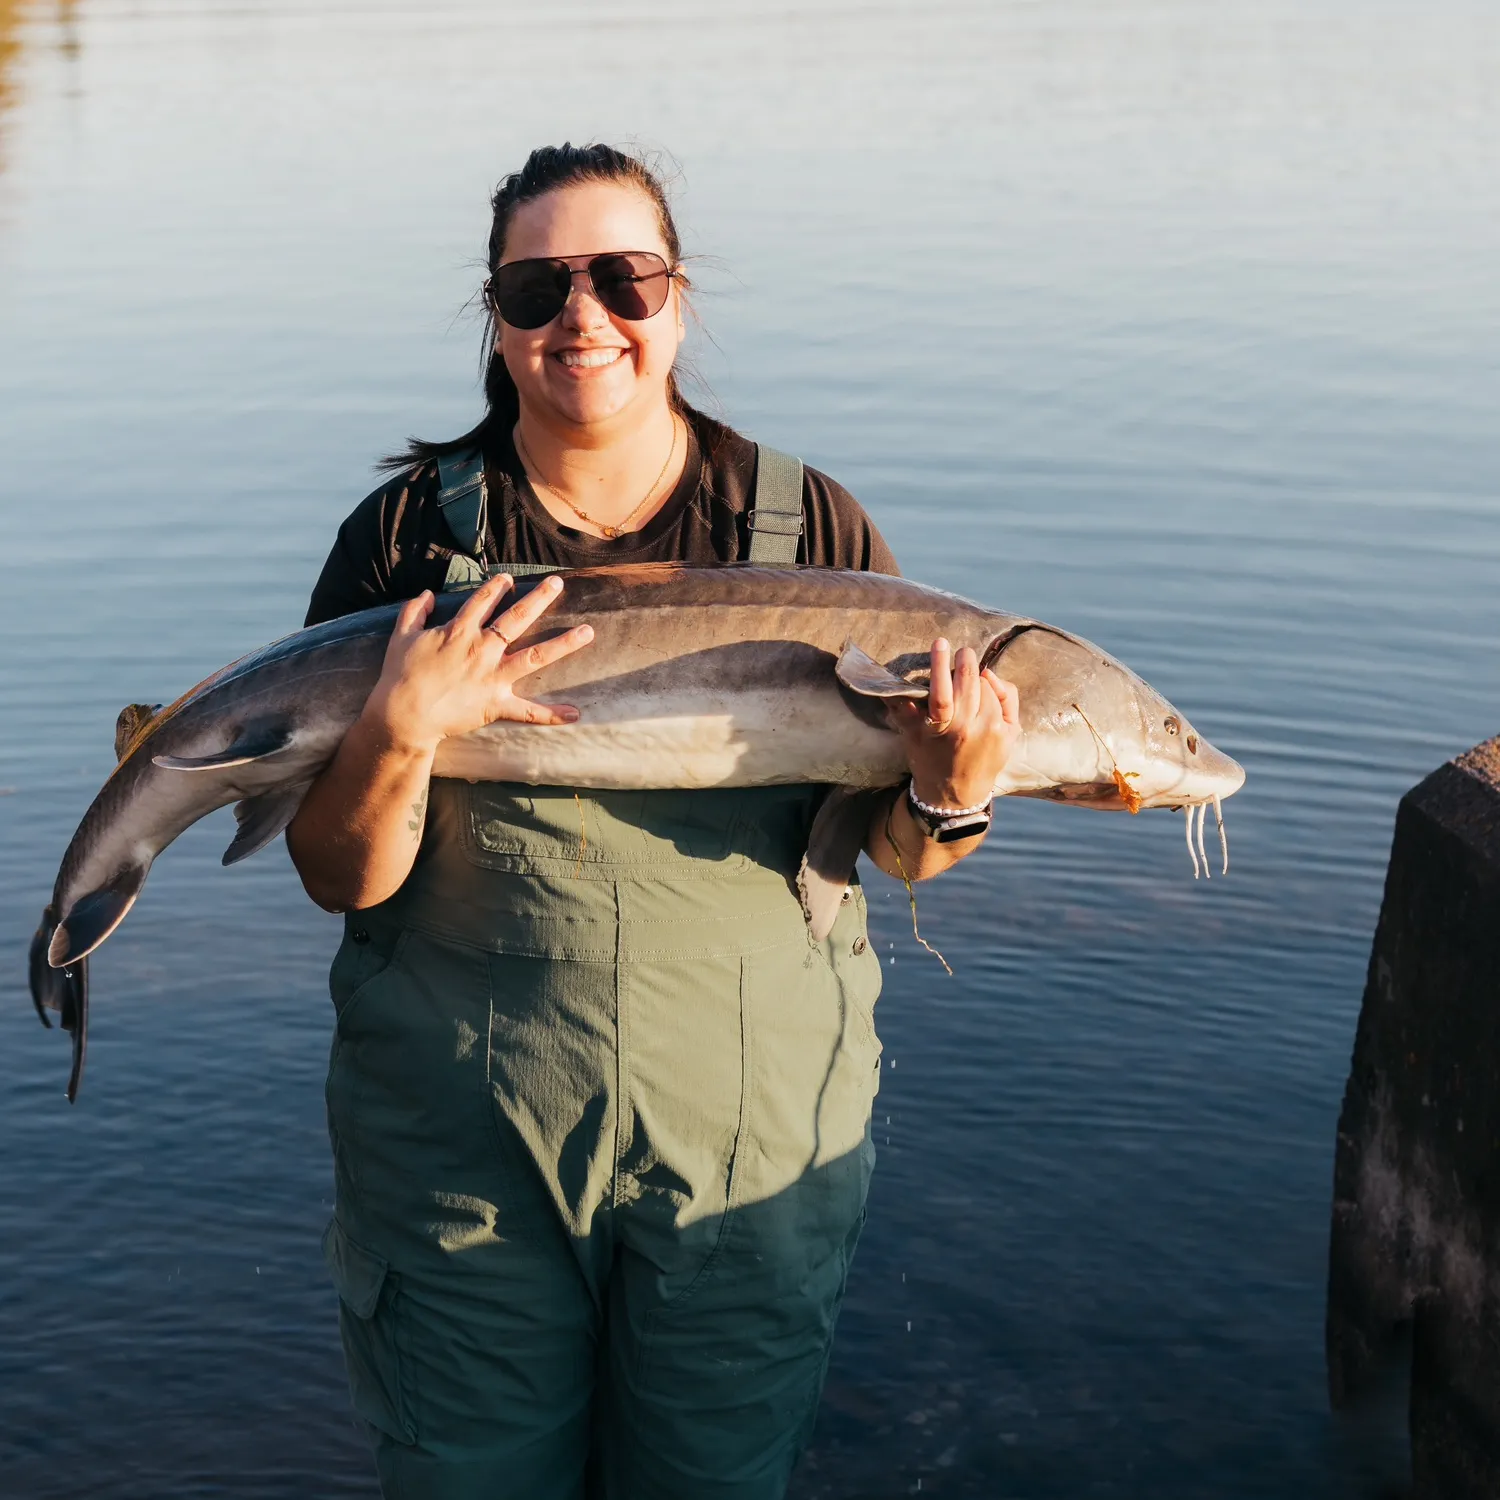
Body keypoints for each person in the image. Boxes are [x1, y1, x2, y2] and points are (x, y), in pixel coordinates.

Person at [288, 142, 1020, 1500]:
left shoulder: (820, 539)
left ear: (676, 303)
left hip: (751, 1145)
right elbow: (340, 875)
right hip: (460, 1149)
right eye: (536, 286)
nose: (585, 317)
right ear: (496, 322)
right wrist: (400, 726)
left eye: (624, 277)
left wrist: (953, 784)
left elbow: (893, 851)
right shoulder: (405, 548)